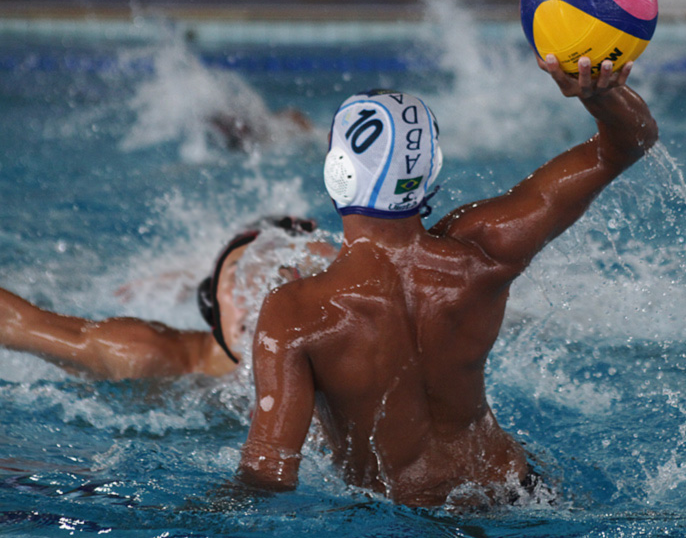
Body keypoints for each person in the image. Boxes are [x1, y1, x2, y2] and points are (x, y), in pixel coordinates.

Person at [236, 55, 658, 508]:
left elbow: (269, 475)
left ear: (337, 170)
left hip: (408, 516)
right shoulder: (484, 251)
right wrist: (601, 93)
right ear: (429, 168)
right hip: (516, 493)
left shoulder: (296, 312)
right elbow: (628, 142)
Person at [0, 216, 333, 380]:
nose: (256, 298)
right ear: (210, 302)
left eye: (277, 280)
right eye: (241, 276)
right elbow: (16, 323)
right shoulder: (146, 355)